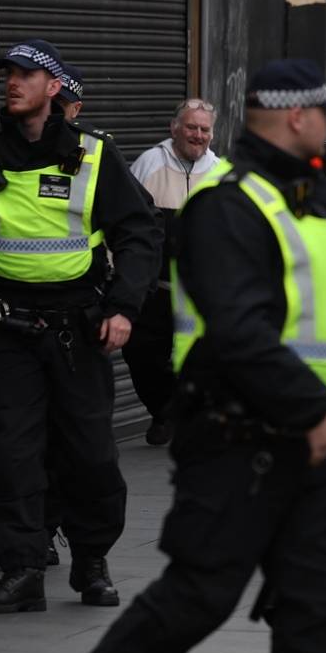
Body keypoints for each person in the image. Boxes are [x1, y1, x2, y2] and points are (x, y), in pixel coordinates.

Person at [45, 60, 326, 653]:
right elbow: (239, 333)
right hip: (243, 441)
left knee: (322, 605)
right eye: (323, 115)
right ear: (294, 119)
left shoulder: (308, 201)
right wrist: (312, 410)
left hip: (311, 440)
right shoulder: (228, 207)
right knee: (198, 596)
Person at [0, 39, 160, 613]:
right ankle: (23, 569)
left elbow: (140, 234)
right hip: (2, 333)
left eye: (26, 75)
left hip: (76, 329)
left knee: (89, 454)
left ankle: (91, 563)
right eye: (7, 74)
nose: (11, 83)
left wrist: (123, 308)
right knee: (11, 455)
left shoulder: (94, 156)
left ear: (54, 88)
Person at [124, 97, 219, 442]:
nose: (197, 135)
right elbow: (126, 223)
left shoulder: (221, 173)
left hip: (201, 296)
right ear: (174, 129)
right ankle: (164, 410)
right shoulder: (149, 164)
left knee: (201, 361)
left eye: (204, 129)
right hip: (156, 290)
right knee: (141, 356)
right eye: (191, 127)